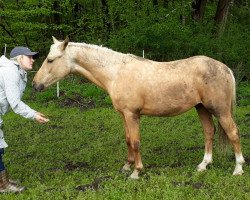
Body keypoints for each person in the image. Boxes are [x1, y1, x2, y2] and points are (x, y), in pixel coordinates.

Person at [0, 46, 49, 193]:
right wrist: (33, 114)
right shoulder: (10, 72)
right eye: (29, 56)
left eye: (33, 57)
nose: (33, 60)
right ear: (19, 58)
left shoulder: (18, 72)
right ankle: (3, 185)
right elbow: (15, 103)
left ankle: (3, 181)